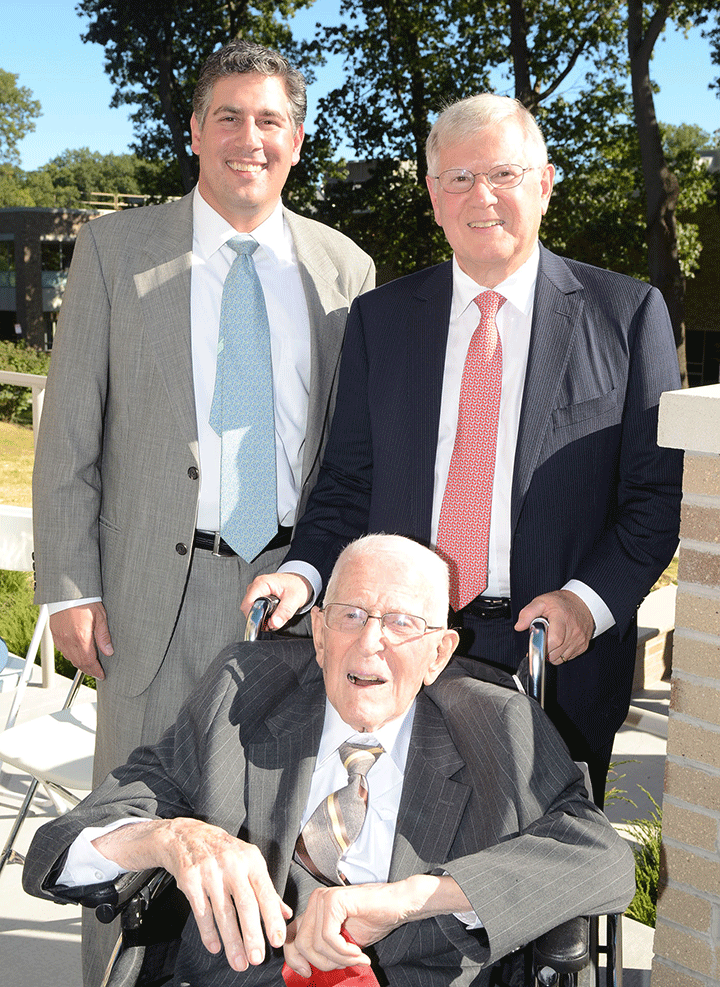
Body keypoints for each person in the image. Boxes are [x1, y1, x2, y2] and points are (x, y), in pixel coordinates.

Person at [242, 93, 683, 807]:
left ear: (543, 184)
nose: (482, 196)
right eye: (458, 178)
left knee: (531, 883)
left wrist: (583, 603)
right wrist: (304, 575)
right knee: (394, 858)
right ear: (433, 196)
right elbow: (347, 484)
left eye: (504, 174)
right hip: (398, 646)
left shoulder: (627, 316)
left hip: (550, 658)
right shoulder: (380, 320)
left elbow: (655, 501)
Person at [23, 535, 634, 987]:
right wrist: (169, 838)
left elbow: (602, 860)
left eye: (401, 623)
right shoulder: (242, 697)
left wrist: (410, 898)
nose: (371, 642)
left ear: (439, 653)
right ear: (317, 634)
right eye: (351, 616)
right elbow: (60, 845)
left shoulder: (499, 727)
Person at [31, 39, 375, 788]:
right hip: (150, 600)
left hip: (295, 590)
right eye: (228, 117)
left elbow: (354, 450)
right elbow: (67, 438)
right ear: (193, 130)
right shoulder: (112, 251)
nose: (248, 140)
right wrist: (69, 587)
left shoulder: (346, 270)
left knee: (271, 827)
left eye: (269, 121)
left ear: (297, 139)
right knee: (132, 833)